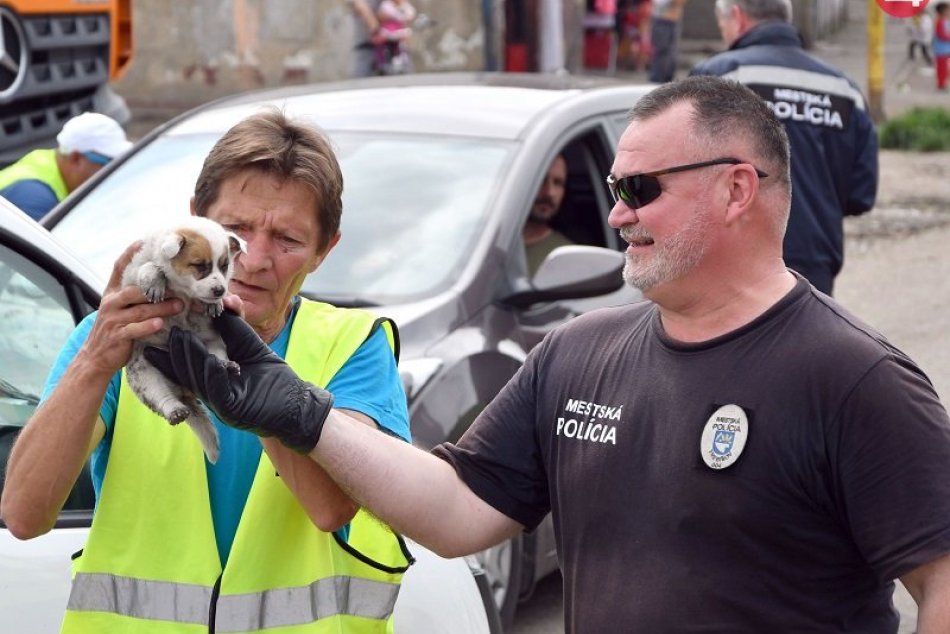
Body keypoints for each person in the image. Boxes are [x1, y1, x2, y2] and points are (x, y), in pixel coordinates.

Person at [143, 76, 950, 633]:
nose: (615, 212)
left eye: (640, 189)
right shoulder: (578, 353)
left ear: (737, 189)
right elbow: (457, 512)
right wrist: (305, 416)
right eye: (615, 188)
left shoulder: (854, 378)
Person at [0, 110, 413, 632]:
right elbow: (25, 514)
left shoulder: (352, 345)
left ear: (324, 250)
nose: (255, 259)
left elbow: (331, 510)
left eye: (288, 239)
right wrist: (93, 360)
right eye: (236, 229)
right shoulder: (115, 335)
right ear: (194, 220)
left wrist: (269, 401)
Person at [689, 0, 878, 296]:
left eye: (721, 24)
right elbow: (860, 195)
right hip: (814, 268)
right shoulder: (844, 90)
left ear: (737, 17)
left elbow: (685, 172)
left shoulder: (718, 78)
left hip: (732, 262)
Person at [0, 112, 131, 221]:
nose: (114, 173)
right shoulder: (33, 197)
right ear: (76, 159)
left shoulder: (50, 162)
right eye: (108, 164)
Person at [523, 154, 573, 276]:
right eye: (541, 179)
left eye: (557, 183)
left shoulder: (567, 256)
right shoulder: (482, 247)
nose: (549, 192)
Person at [648, 0, 687, 82]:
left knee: (672, 52)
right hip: (662, 20)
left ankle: (668, 78)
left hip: (674, 21)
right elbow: (659, 3)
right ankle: (656, 79)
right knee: (662, 51)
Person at [374, 0, 416, 74]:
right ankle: (381, 63)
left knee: (403, 43)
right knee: (380, 42)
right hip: (388, 30)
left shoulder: (405, 5)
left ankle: (404, 60)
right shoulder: (386, 4)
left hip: (399, 30)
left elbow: (410, 15)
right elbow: (382, 16)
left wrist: (403, 14)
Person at [935, 2, 950, 92]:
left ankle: (944, 82)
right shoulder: (940, 22)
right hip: (941, 50)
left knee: (946, 67)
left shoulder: (946, 20)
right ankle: (941, 84)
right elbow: (941, 35)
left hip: (947, 49)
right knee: (942, 68)